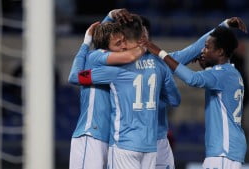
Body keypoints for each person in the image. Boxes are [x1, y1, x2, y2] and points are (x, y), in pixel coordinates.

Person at [72, 14, 180, 169]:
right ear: (143, 35)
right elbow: (175, 100)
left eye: (121, 40)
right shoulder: (159, 65)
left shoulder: (115, 68)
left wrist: (86, 42)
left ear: (123, 36)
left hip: (124, 143)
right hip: (149, 146)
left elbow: (76, 77)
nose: (121, 45)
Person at [144, 26, 247, 169]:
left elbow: (192, 79)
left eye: (206, 47)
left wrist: (161, 53)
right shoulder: (230, 72)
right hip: (228, 149)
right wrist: (206, 67)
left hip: (224, 151)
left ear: (220, 51)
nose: (202, 51)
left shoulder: (221, 74)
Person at [68, 13, 145, 169]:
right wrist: (86, 43)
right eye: (119, 43)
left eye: (124, 40)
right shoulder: (98, 56)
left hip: (108, 139)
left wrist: (110, 16)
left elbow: (105, 37)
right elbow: (74, 77)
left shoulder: (112, 65)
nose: (123, 46)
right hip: (90, 136)